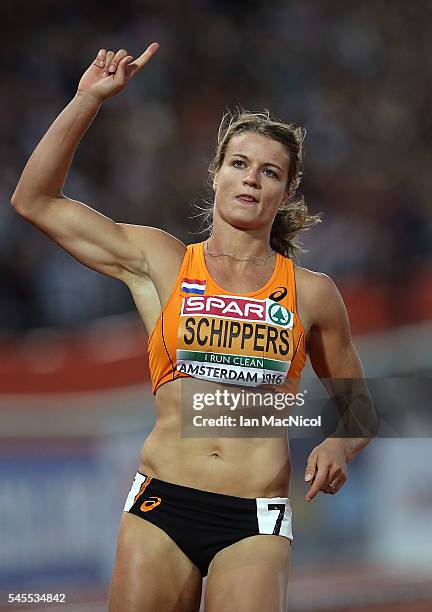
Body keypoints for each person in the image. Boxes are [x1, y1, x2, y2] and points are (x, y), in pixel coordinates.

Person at [11, 44, 374, 612]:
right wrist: (88, 100)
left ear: (285, 194)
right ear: (216, 174)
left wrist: (339, 446)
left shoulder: (313, 293)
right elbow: (34, 200)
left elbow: (359, 412)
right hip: (163, 505)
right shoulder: (163, 262)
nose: (251, 179)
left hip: (254, 518)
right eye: (239, 164)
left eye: (269, 172)